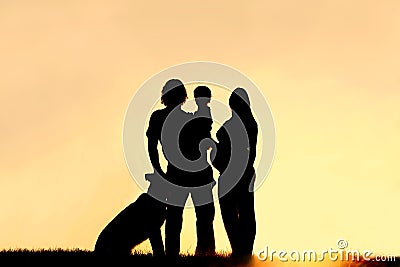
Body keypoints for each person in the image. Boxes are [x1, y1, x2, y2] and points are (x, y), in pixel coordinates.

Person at [146, 80, 215, 257]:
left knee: (178, 217)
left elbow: (152, 146)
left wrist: (158, 171)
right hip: (193, 174)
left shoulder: (160, 118)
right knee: (199, 217)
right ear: (183, 97)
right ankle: (203, 254)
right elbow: (205, 134)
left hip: (179, 174)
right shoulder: (184, 119)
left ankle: (176, 254)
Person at [212, 88, 258, 260]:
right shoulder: (249, 123)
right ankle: (242, 250)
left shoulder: (240, 124)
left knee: (236, 213)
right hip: (243, 173)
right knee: (244, 212)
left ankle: (241, 250)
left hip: (235, 174)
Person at [94, 176, 166, 256]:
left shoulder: (148, 202)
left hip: (105, 246)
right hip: (108, 248)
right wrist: (160, 255)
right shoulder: (151, 206)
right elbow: (154, 232)